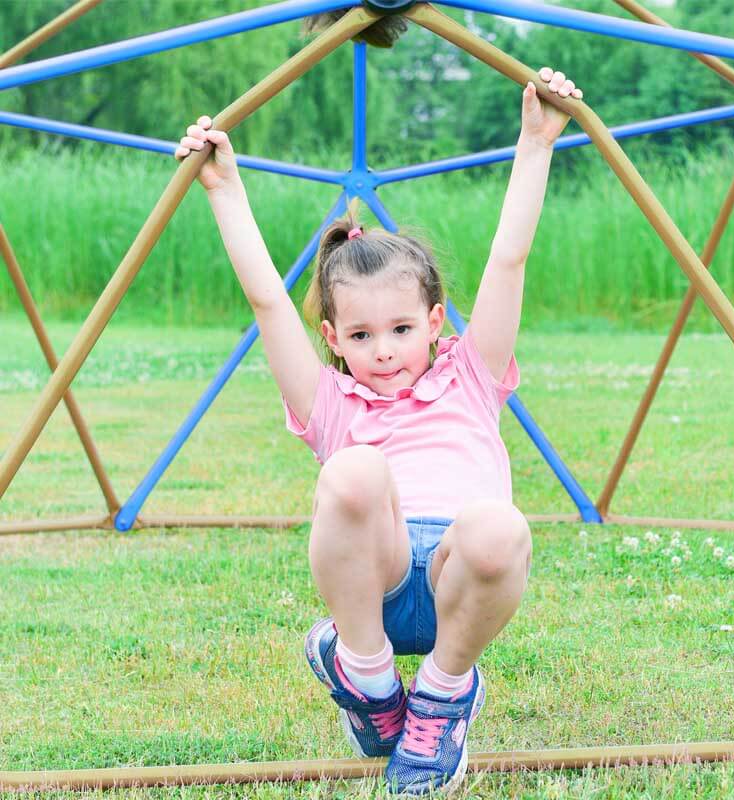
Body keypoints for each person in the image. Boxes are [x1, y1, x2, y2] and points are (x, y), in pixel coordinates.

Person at [176, 65, 582, 796]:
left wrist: (536, 145)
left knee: (500, 524)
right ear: (333, 339)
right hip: (378, 580)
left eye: (400, 328)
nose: (384, 350)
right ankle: (364, 675)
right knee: (355, 471)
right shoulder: (331, 402)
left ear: (434, 323)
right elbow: (269, 300)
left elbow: (509, 257)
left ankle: (440, 697)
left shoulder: (471, 375)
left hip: (460, 578)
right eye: (361, 336)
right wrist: (223, 188)